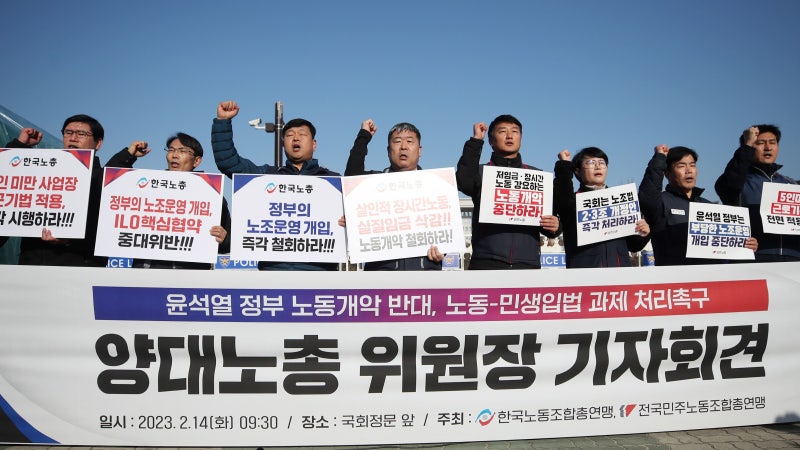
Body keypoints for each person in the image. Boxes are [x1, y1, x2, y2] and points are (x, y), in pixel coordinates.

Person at [211, 100, 340, 271]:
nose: (296, 138)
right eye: (290, 135)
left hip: (320, 275)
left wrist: (347, 222)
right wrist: (222, 122)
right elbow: (229, 163)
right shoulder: (267, 176)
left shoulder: (333, 182)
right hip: (272, 274)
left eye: (302, 134)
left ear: (314, 144)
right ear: (283, 143)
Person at [106, 132, 231, 269]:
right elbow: (107, 184)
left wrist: (224, 239)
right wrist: (128, 155)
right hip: (146, 275)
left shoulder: (211, 195)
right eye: (171, 150)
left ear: (196, 161)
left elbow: (229, 244)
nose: (174, 155)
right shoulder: (147, 189)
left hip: (191, 277)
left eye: (182, 151)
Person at [455, 114, 560, 270]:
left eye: (515, 131)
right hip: (486, 262)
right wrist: (476, 141)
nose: (509, 136)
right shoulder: (481, 173)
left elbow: (550, 222)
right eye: (502, 131)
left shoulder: (537, 176)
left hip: (527, 264)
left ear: (521, 138)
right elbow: (463, 182)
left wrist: (556, 226)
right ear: (491, 140)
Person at [4, 117, 109, 266]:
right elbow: (8, 177)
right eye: (68, 132)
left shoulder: (103, 180)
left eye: (81, 134)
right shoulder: (41, 173)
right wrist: (20, 145)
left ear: (98, 143)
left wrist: (70, 239)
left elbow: (107, 231)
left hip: (80, 267)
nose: (73, 138)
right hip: (31, 266)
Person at [344, 119, 444, 270]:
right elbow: (351, 177)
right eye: (397, 141)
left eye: (409, 141)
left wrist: (443, 250)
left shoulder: (436, 186)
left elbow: (446, 229)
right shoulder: (373, 183)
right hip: (381, 274)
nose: (403, 147)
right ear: (388, 150)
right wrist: (364, 137)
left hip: (425, 275)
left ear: (420, 150)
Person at [639, 144, 757, 266]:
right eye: (681, 166)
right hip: (674, 275)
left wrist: (745, 245)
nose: (689, 170)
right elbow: (647, 196)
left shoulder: (710, 207)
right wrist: (659, 159)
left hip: (710, 275)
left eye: (692, 165)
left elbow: (725, 248)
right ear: (667, 173)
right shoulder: (661, 202)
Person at [553, 147, 650, 268]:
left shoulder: (621, 201)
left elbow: (634, 245)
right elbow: (563, 199)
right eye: (591, 162)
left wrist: (643, 233)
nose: (598, 167)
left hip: (620, 274)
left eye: (602, 163)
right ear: (577, 171)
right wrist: (564, 165)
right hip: (584, 274)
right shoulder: (573, 201)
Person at [715, 124, 800, 262]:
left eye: (772, 142)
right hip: (755, 259)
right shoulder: (739, 182)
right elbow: (728, 184)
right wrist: (747, 145)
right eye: (760, 143)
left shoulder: (793, 184)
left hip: (794, 260)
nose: (768, 147)